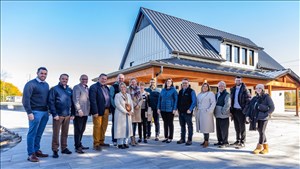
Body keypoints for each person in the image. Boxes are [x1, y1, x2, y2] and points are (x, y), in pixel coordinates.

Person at [22, 67, 50, 162]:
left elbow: (47, 99)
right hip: (35, 112)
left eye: (45, 74)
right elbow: (25, 100)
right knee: (32, 133)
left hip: (45, 113)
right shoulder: (30, 84)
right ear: (37, 73)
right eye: (41, 73)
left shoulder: (46, 85)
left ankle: (36, 150)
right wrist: (29, 112)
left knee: (39, 133)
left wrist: (49, 110)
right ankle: (31, 154)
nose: (43, 75)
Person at [48, 74, 75, 158]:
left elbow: (73, 103)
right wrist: (54, 114)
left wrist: (73, 113)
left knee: (65, 133)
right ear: (59, 79)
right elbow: (51, 102)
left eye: (66, 79)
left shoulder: (69, 90)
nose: (64, 80)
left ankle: (64, 148)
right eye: (63, 78)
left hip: (67, 115)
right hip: (58, 116)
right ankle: (55, 150)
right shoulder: (54, 89)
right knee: (56, 134)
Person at [246, 84, 275, 154]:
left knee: (262, 131)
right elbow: (250, 107)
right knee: (260, 131)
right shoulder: (255, 98)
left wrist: (266, 114)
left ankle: (259, 147)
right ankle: (266, 147)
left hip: (264, 118)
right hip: (256, 117)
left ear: (262, 89)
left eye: (260, 88)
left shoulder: (267, 97)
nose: (258, 89)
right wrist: (247, 116)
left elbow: (272, 107)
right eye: (256, 88)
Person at [89, 73, 111, 151]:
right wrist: (95, 111)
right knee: (97, 126)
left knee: (104, 126)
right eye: (102, 78)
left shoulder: (107, 88)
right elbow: (92, 100)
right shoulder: (93, 87)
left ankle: (102, 141)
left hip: (106, 110)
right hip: (98, 110)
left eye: (105, 79)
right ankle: (96, 143)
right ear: (99, 78)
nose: (104, 80)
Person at [230, 76, 251, 149]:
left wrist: (244, 111)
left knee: (242, 127)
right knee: (236, 127)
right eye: (236, 80)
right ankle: (237, 140)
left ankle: (242, 142)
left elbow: (248, 101)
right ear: (235, 81)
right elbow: (231, 100)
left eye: (239, 80)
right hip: (234, 110)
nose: (237, 81)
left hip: (241, 111)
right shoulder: (233, 89)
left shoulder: (245, 89)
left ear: (241, 81)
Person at [72, 74, 90, 154]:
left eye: (86, 79)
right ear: (80, 79)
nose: (84, 80)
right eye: (83, 79)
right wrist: (79, 110)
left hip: (85, 112)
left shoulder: (87, 88)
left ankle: (79, 143)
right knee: (78, 130)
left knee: (82, 129)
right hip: (79, 113)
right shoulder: (77, 87)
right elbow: (76, 99)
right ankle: (77, 147)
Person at [195, 82, 216, 148]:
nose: (205, 88)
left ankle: (206, 141)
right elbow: (197, 103)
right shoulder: (199, 94)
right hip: (200, 112)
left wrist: (209, 110)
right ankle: (204, 140)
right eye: (203, 86)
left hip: (207, 112)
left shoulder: (210, 94)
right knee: (203, 127)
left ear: (208, 87)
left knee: (206, 127)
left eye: (206, 86)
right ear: (202, 87)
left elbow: (213, 103)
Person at [157, 78, 178, 143]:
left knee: (170, 123)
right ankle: (166, 137)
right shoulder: (162, 90)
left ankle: (170, 137)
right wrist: (158, 108)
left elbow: (176, 100)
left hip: (170, 109)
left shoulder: (174, 90)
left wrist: (174, 109)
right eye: (167, 82)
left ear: (171, 83)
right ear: (165, 83)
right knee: (165, 123)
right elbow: (159, 99)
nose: (168, 83)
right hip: (163, 109)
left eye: (170, 82)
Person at [176, 79, 196, 146]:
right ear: (182, 84)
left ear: (188, 84)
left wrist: (190, 109)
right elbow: (178, 101)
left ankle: (189, 140)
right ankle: (182, 139)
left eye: (186, 83)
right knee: (182, 126)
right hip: (181, 112)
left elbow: (194, 101)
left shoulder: (191, 91)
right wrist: (177, 109)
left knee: (189, 126)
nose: (184, 84)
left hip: (188, 112)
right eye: (183, 83)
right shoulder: (180, 91)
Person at [114, 82, 134, 149]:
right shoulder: (117, 95)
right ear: (119, 88)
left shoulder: (128, 95)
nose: (123, 88)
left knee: (127, 129)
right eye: (121, 87)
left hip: (128, 114)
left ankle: (125, 142)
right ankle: (120, 143)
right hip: (120, 114)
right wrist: (125, 112)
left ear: (126, 87)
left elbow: (131, 103)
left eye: (124, 87)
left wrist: (131, 111)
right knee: (120, 129)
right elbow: (118, 105)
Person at [214, 81, 231, 148]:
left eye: (222, 86)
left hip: (224, 114)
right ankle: (220, 141)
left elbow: (227, 104)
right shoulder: (216, 94)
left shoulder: (227, 94)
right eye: (220, 86)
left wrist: (223, 111)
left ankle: (225, 142)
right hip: (217, 114)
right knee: (218, 128)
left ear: (225, 87)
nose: (221, 87)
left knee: (224, 129)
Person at [109, 74, 125, 146]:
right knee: (115, 123)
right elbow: (111, 97)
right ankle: (114, 140)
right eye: (119, 78)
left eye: (122, 78)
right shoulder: (113, 87)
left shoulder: (124, 86)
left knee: (122, 124)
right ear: (117, 79)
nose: (121, 79)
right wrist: (115, 107)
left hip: (123, 109)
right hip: (115, 108)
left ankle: (121, 139)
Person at [128, 78, 143, 146]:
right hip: (132, 108)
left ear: (136, 82)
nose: (133, 83)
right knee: (132, 125)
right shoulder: (128, 89)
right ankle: (132, 139)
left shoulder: (139, 89)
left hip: (138, 109)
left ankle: (134, 138)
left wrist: (139, 105)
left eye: (134, 82)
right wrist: (135, 105)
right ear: (130, 82)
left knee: (135, 124)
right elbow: (129, 99)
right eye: (132, 82)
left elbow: (141, 99)